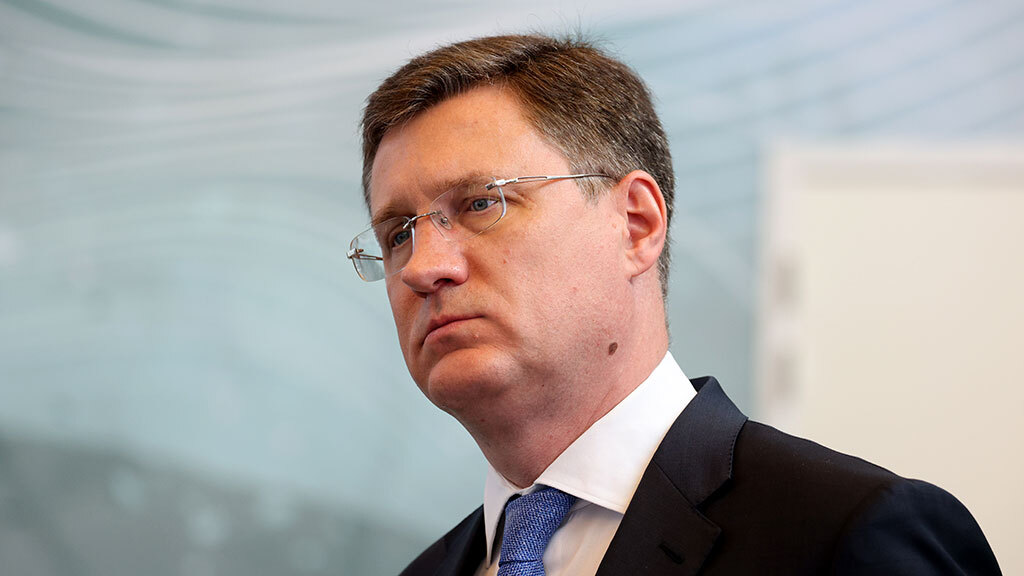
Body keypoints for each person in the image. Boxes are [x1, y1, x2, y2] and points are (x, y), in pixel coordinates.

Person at [348, 34, 1001, 576]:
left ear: (635, 225)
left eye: (481, 203)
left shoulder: (845, 535)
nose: (424, 267)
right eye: (398, 233)